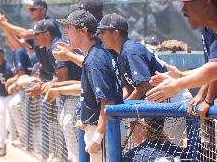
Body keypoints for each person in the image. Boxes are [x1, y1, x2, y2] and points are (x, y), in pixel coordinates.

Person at [98, 13, 192, 145]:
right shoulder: (123, 53)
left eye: (103, 31)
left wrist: (120, 109)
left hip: (172, 99)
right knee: (153, 149)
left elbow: (145, 86)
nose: (99, 35)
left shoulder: (131, 50)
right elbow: (132, 89)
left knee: (163, 150)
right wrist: (119, 105)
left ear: (115, 33)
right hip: (162, 102)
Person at [49, 9, 123, 161]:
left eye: (69, 27)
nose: (65, 31)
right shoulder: (95, 54)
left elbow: (106, 102)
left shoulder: (95, 59)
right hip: (101, 126)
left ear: (82, 31)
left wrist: (97, 137)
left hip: (104, 130)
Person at [145, 0, 217, 119]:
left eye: (187, 4)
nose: (183, 10)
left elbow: (213, 70)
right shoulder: (211, 31)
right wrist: (181, 75)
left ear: (206, 5)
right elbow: (212, 68)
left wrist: (178, 84)